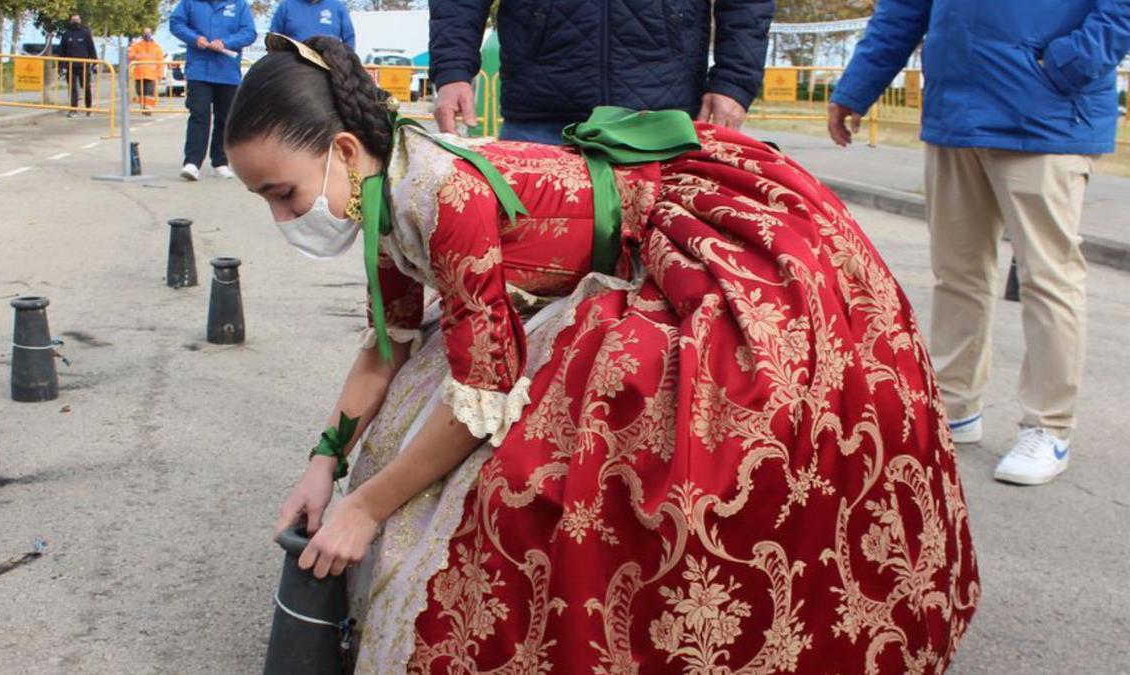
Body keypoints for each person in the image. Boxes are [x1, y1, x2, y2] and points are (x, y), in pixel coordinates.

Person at [227, 34, 980, 673]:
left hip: (667, 239)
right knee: (418, 428)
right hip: (565, 274)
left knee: (603, 452)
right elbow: (383, 352)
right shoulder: (382, 192)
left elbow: (479, 404)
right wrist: (323, 460)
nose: (282, 217)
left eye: (282, 193)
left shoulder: (443, 196)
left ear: (345, 149)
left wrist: (363, 507)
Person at [828, 0, 1130, 486]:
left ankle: (1048, 426)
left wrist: (1064, 65)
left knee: (1048, 278)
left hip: (1046, 115)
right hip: (958, 113)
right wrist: (857, 88)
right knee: (957, 273)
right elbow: (904, 8)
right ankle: (955, 405)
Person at [430, 0, 775, 143]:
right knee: (531, 282)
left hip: (664, 123)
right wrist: (452, 70)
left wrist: (734, 81)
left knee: (668, 282)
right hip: (542, 117)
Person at [169, 0, 257, 181]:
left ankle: (220, 162)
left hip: (227, 71)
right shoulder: (190, 3)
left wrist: (225, 42)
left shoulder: (238, 4)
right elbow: (176, 23)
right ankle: (192, 163)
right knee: (199, 115)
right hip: (199, 71)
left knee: (225, 118)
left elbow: (249, 32)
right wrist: (195, 38)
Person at [56, 13, 97, 118]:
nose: (75, 22)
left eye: (77, 20)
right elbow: (61, 51)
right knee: (73, 88)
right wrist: (60, 66)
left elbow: (91, 48)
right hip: (71, 66)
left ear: (80, 21)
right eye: (74, 20)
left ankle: (89, 108)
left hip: (84, 66)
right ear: (70, 21)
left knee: (86, 87)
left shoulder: (85, 33)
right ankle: (74, 110)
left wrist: (95, 63)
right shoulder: (67, 34)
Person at [269, 0, 355, 47]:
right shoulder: (286, 6)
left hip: (329, 64)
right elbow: (274, 38)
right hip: (293, 65)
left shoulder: (338, 7)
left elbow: (349, 38)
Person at [128, 27, 166, 115]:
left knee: (149, 92)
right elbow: (130, 55)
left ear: (151, 34)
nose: (147, 35)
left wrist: (160, 75)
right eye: (145, 33)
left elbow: (160, 62)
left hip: (151, 74)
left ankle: (149, 108)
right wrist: (135, 56)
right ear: (142, 34)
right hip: (139, 74)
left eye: (148, 33)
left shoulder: (156, 47)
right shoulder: (137, 45)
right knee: (140, 92)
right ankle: (143, 106)